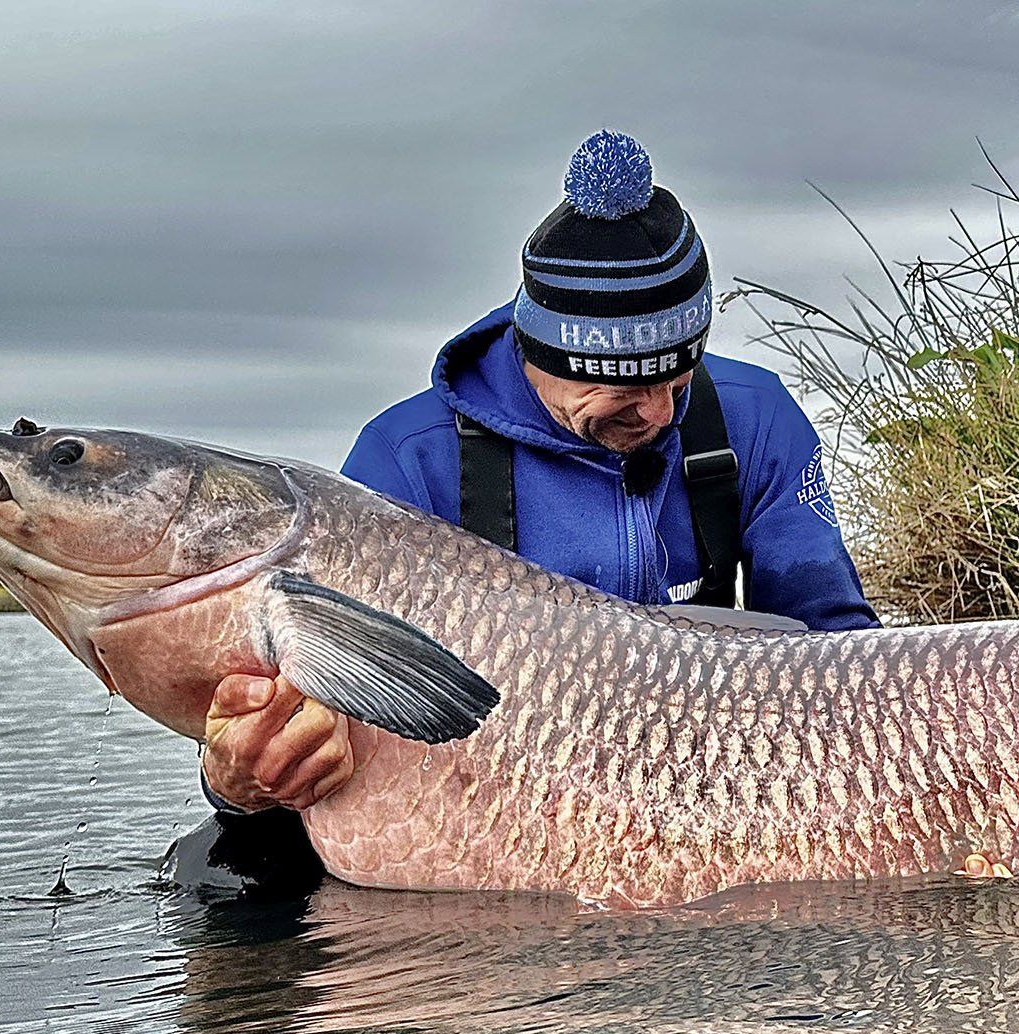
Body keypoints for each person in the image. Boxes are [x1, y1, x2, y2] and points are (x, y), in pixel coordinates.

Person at [202, 130, 876, 817]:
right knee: (222, 865)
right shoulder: (407, 460)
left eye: (678, 378)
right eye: (624, 391)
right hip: (488, 794)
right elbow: (311, 703)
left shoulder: (756, 418)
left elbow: (845, 650)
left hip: (724, 774)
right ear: (540, 353)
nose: (659, 413)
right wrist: (240, 782)